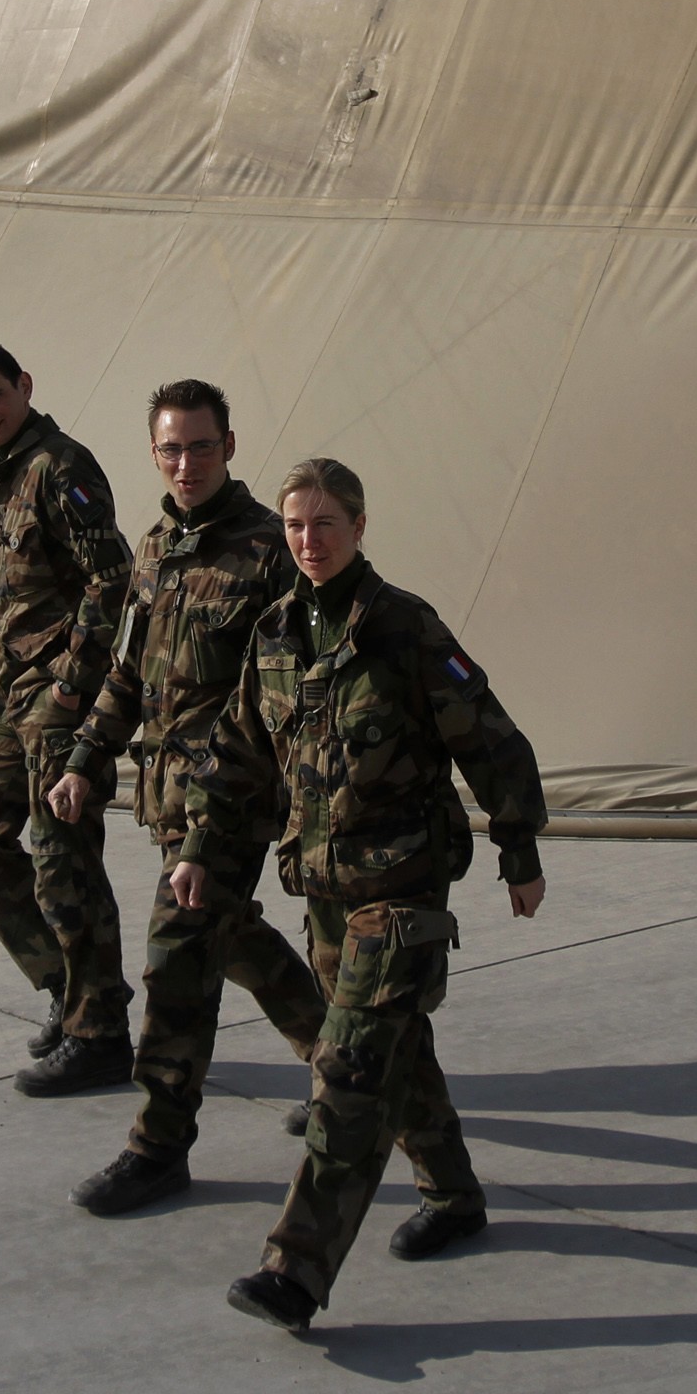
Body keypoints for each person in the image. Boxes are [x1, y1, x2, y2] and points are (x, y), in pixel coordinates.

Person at [218, 457, 548, 1332]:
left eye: (326, 523)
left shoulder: (404, 629)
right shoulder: (279, 634)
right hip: (325, 891)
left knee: (352, 1071)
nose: (308, 540)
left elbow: (492, 739)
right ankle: (453, 1194)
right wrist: (204, 854)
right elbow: (241, 758)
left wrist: (519, 848)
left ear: (360, 528)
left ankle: (295, 1270)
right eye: (294, 525)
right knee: (395, 1049)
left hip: (400, 893)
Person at [48, 381, 330, 1215]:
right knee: (231, 935)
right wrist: (85, 758)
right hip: (168, 797)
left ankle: (158, 1147)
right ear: (153, 454)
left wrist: (215, 828)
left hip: (235, 800)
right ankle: (336, 1053)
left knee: (178, 961)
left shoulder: (267, 552)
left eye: (201, 447)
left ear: (230, 447)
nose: (186, 464)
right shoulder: (156, 546)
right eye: (171, 449)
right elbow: (132, 673)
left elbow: (275, 702)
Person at [0, 344, 136, 1096]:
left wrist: (70, 688)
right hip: (9, 706)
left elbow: (112, 576)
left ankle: (101, 1036)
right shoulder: (12, 474)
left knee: (65, 867)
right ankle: (68, 987)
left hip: (54, 707)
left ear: (24, 387)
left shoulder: (61, 466)